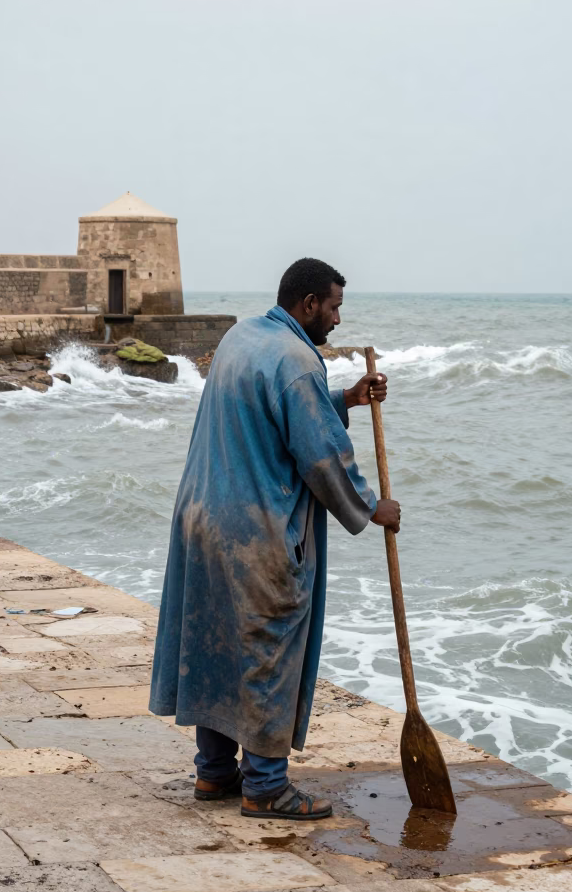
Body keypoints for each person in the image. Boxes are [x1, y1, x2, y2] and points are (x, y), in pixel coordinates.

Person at [149, 257, 401, 820]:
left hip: (201, 520)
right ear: (308, 303)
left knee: (217, 643)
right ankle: (265, 786)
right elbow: (319, 455)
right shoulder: (295, 360)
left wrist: (345, 400)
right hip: (255, 532)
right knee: (268, 648)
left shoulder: (243, 336)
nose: (337, 320)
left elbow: (276, 414)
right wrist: (370, 507)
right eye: (333, 307)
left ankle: (215, 775)